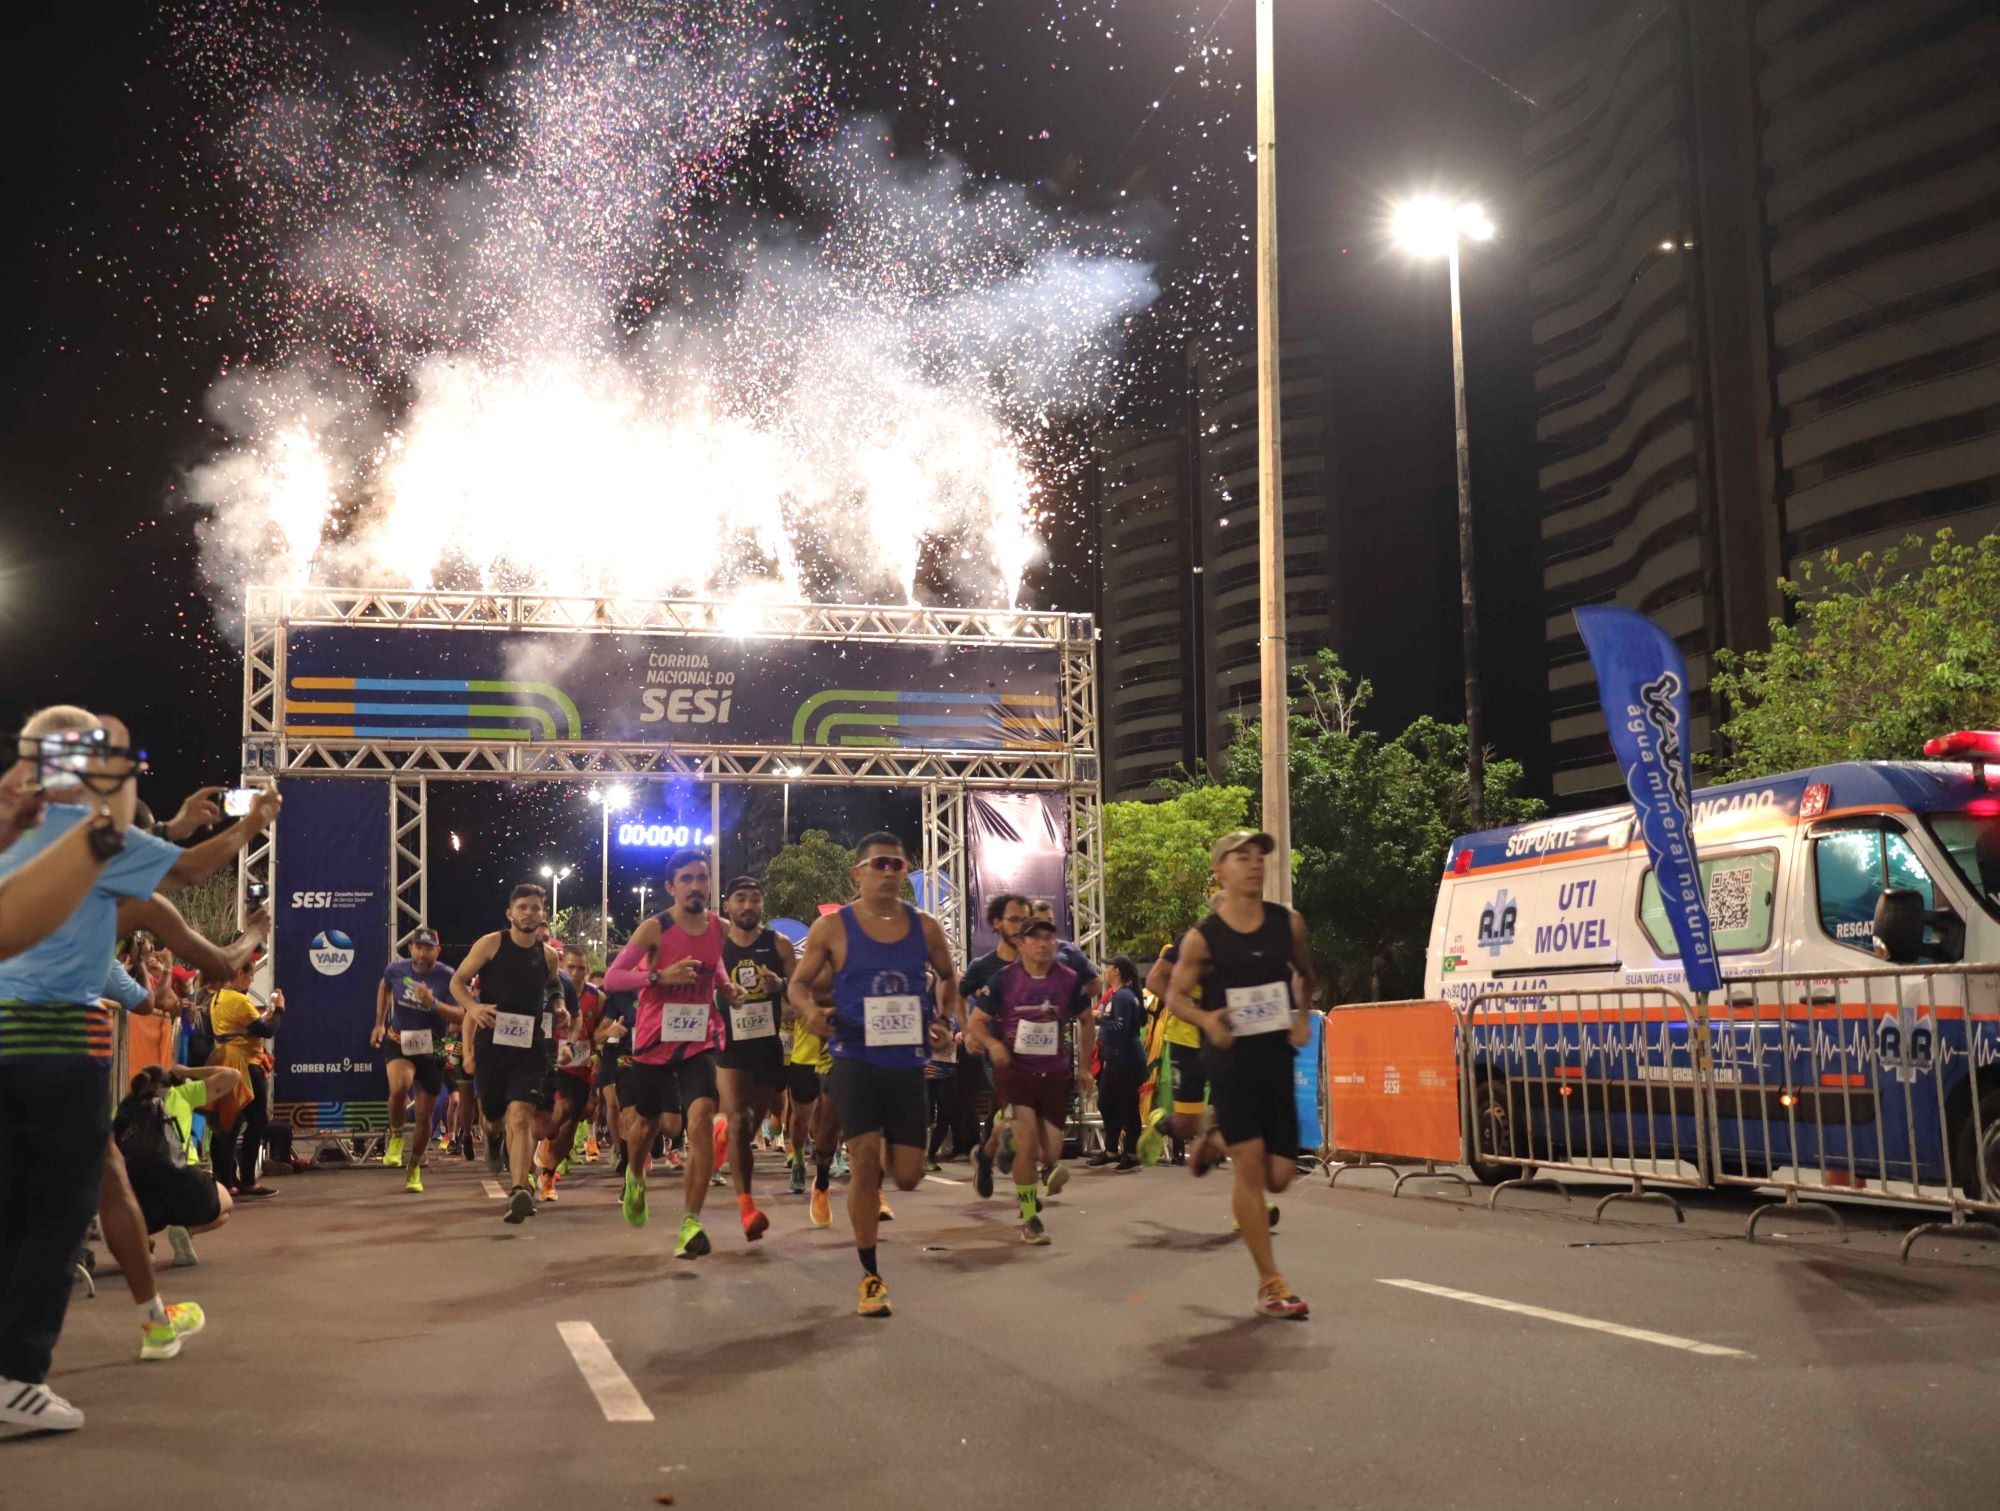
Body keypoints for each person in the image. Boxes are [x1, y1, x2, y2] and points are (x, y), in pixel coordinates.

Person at [0, 707, 277, 1439]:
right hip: (61, 1046)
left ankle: (146, 1321)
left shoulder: (19, 830)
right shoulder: (98, 848)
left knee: (20, 1203)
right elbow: (185, 880)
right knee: (61, 1216)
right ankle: (18, 1377)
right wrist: (251, 833)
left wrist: (183, 822)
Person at [786, 831, 962, 1318]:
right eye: (879, 864)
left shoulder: (924, 927)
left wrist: (943, 1019)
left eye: (897, 866)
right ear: (857, 873)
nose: (888, 873)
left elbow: (949, 977)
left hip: (907, 1063)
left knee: (907, 1176)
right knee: (864, 1161)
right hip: (854, 1057)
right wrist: (810, 1014)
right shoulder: (833, 929)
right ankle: (870, 1276)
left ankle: (879, 1158)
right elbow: (797, 986)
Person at [1164, 831, 1317, 1320]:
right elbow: (1176, 997)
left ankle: (1216, 1139)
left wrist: (1300, 1015)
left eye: (1260, 858)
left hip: (1274, 1057)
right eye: (1242, 857)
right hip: (1230, 1062)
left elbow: (1306, 976)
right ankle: (1272, 1285)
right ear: (1220, 870)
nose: (1255, 865)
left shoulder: (1287, 924)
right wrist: (1208, 1020)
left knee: (1281, 1177)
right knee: (1251, 1170)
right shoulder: (1203, 938)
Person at [602, 850, 739, 1259]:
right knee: (643, 1126)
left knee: (699, 1122)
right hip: (653, 1040)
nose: (696, 885)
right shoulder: (654, 928)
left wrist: (727, 987)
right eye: (687, 878)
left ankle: (690, 1222)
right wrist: (659, 975)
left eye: (702, 877)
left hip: (700, 1038)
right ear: (671, 886)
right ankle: (634, 1177)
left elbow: (714, 968)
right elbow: (613, 978)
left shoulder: (721, 927)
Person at [968, 916, 1094, 1244]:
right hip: (1016, 1071)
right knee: (1026, 1142)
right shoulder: (1003, 980)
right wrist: (994, 1045)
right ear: (1021, 944)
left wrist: (1085, 1066)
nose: (1042, 944)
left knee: (1049, 1153)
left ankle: (988, 1150)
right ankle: (1029, 1217)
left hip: (1055, 1074)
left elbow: (1086, 1020)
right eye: (1034, 938)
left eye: (1048, 938)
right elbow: (977, 1022)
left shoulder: (1068, 980)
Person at [450, 884, 564, 1224]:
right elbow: (458, 982)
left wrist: (559, 1006)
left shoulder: (548, 955)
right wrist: (473, 1008)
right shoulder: (492, 944)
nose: (529, 913)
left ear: (544, 913)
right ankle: (494, 1138)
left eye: (536, 908)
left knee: (521, 1116)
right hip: (492, 1046)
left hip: (529, 1047)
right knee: (494, 1118)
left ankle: (519, 1190)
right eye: (523, 907)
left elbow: (555, 986)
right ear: (510, 913)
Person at [109, 1064, 239, 1357]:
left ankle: (143, 1242)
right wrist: (189, 1069)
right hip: (186, 1185)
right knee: (226, 1205)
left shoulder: (121, 1111)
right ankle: (186, 1230)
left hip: (141, 1200)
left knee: (126, 1216)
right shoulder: (182, 1094)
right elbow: (233, 1077)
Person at [714, 877, 794, 1242]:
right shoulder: (715, 946)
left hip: (766, 1047)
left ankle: (727, 1137)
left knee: (750, 1126)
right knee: (740, 1119)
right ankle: (746, 1206)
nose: (748, 906)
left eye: (755, 899)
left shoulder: (778, 944)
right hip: (728, 1047)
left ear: (763, 905)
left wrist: (781, 988)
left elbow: (800, 995)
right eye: (740, 899)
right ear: (727, 905)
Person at [370, 928, 460, 1194]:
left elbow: (461, 1015)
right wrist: (379, 1023)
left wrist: (433, 1004)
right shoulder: (396, 970)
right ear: (410, 948)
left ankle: (415, 1167)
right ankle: (396, 1135)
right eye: (418, 947)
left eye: (428, 947)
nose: (422, 952)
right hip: (400, 1041)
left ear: (437, 950)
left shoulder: (447, 976)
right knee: (399, 1087)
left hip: (433, 1048)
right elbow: (384, 986)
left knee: (424, 1115)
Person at [207, 959, 285, 1199]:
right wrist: (279, 1009)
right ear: (239, 973)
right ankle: (246, 1180)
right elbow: (267, 1030)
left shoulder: (218, 998)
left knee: (229, 1121)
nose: (252, 980)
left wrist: (264, 1017)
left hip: (225, 1061)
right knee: (255, 1121)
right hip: (244, 1065)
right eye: (250, 975)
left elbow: (253, 1025)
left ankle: (227, 1179)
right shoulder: (238, 1001)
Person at [783, 950, 840, 1226]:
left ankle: (829, 1158)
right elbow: (785, 1007)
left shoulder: (849, 971)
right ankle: (797, 1160)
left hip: (836, 1056)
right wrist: (805, 1009)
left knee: (829, 1117)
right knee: (802, 1116)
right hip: (804, 1057)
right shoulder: (802, 977)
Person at [539, 942, 600, 1201]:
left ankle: (548, 1174)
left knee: (571, 1125)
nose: (576, 973)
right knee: (559, 1111)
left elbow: (599, 1034)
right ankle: (540, 1143)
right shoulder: (548, 991)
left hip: (580, 1068)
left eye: (582, 969)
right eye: (571, 967)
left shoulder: (597, 998)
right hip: (550, 1064)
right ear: (562, 966)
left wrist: (597, 1056)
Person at [1091, 955, 1146, 1169]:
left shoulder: (1123, 996)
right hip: (1116, 1057)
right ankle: (1112, 1150)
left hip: (1125, 1058)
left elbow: (1121, 1028)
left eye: (1108, 968)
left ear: (1117, 972)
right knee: (1108, 1102)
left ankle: (1130, 1153)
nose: (1105, 971)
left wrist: (1099, 1019)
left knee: (1126, 1105)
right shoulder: (1117, 995)